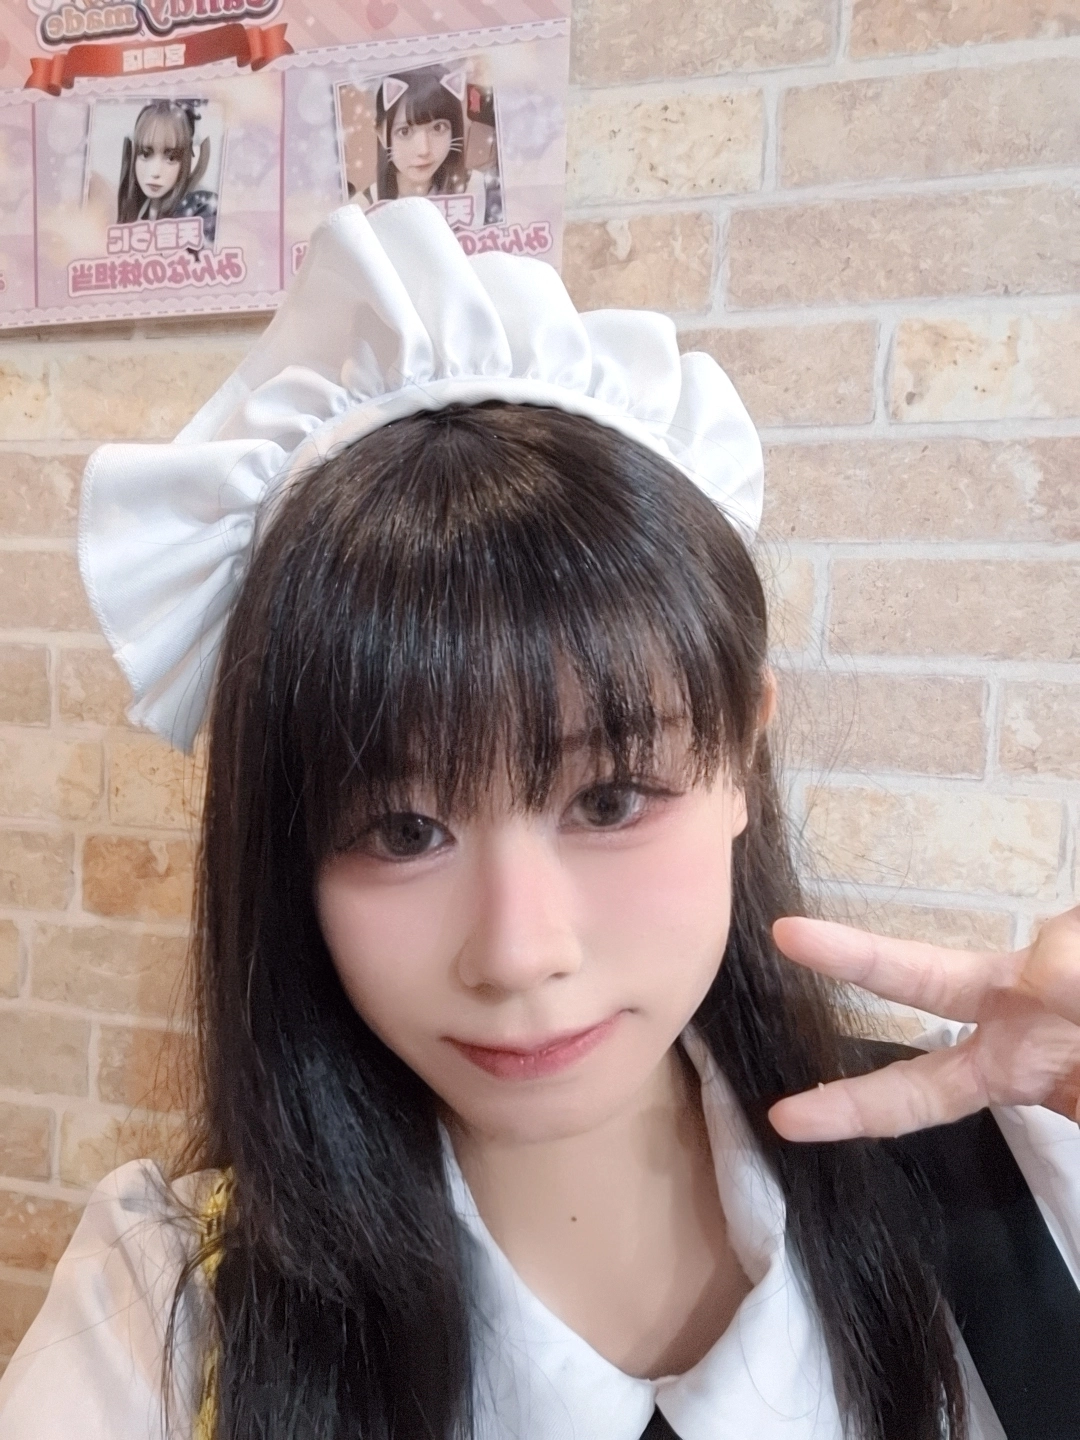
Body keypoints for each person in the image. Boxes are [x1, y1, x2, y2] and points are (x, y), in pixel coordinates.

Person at [0, 199, 1077, 1440]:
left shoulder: (1030, 1165)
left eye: (608, 800)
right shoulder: (165, 1318)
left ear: (741, 753)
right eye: (401, 831)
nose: (518, 953)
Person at [359, 67, 497, 225]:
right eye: (404, 132)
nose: (424, 150)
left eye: (438, 128)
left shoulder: (479, 188)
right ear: (380, 134)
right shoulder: (363, 209)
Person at [116, 99, 218, 243]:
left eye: (171, 157)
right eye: (145, 154)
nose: (155, 172)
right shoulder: (140, 208)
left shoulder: (202, 207)